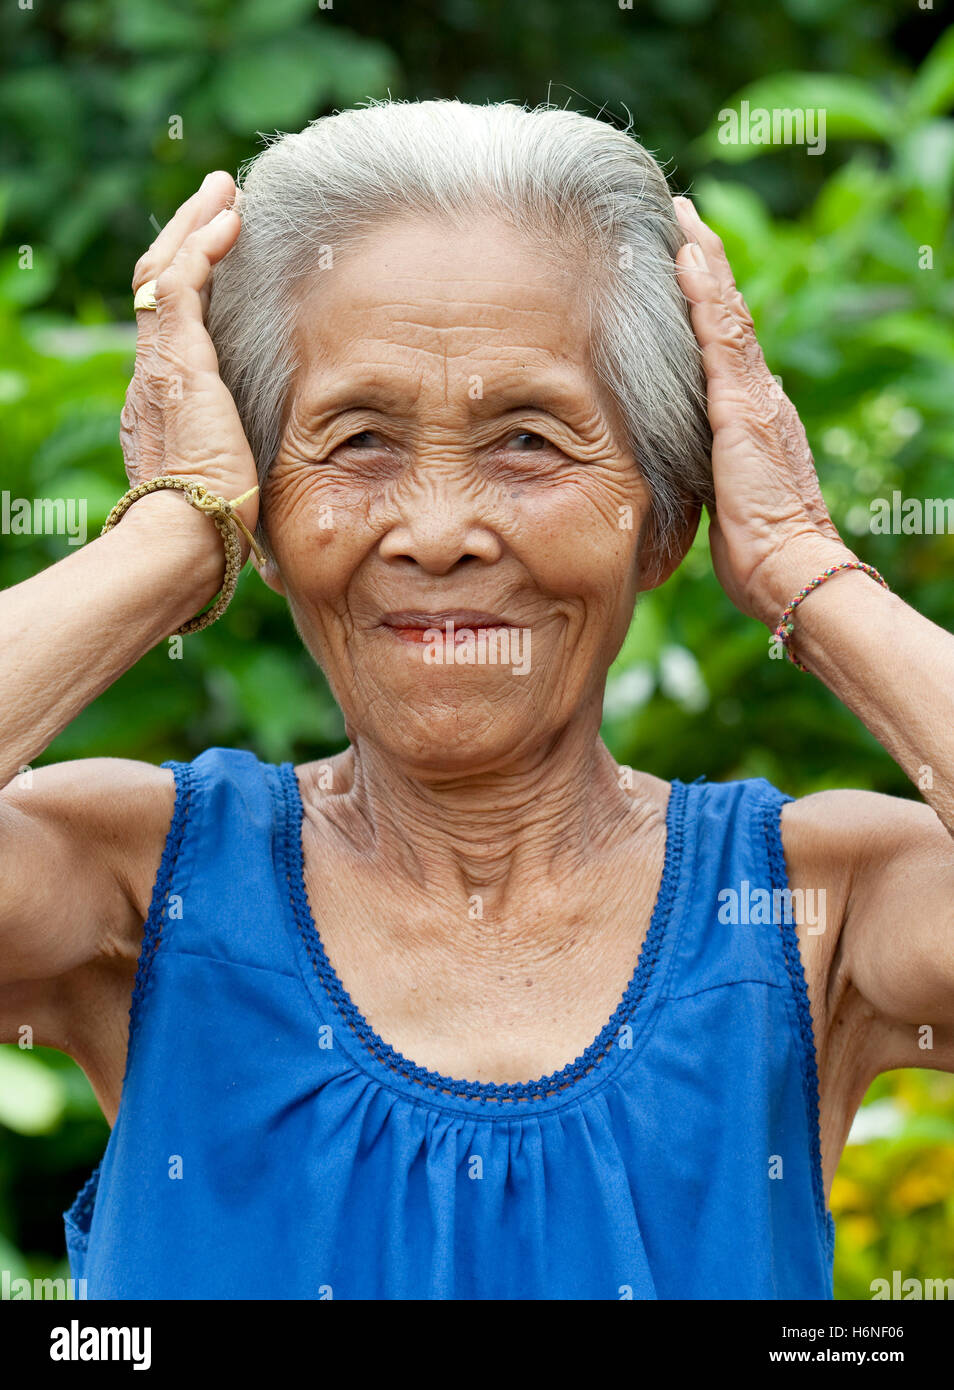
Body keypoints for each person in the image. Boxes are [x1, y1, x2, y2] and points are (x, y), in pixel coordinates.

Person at [2, 99, 951, 1299]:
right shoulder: (138, 892)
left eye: (529, 442)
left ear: (661, 520)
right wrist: (168, 540)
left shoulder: (814, 913)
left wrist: (807, 566)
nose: (439, 532)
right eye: (355, 442)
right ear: (269, 520)